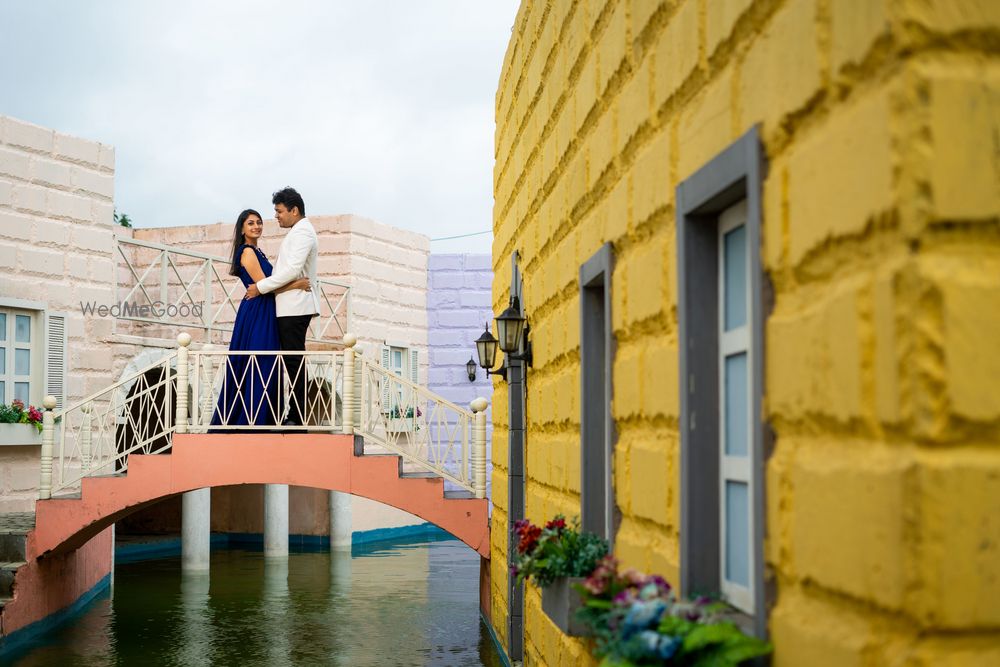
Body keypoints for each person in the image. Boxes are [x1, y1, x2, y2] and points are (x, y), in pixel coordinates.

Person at [211, 209, 310, 428]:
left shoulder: (258, 251)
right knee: (259, 361)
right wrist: (297, 284)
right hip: (257, 311)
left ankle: (266, 418)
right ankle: (252, 418)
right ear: (242, 229)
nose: (256, 226)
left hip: (266, 309)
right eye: (250, 223)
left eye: (258, 222)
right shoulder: (247, 252)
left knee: (268, 361)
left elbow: (266, 285)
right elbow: (264, 286)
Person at [246, 187, 320, 427]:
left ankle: (297, 417)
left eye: (279, 211)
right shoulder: (298, 232)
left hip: (295, 306)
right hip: (289, 305)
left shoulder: (303, 233)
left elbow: (290, 270)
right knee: (290, 361)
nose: (276, 216)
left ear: (294, 210)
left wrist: (261, 287)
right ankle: (292, 414)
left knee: (293, 361)